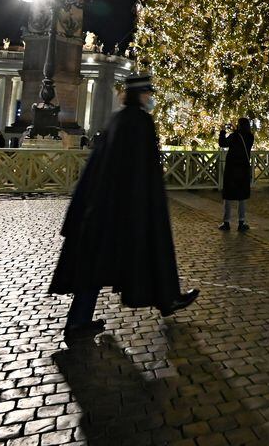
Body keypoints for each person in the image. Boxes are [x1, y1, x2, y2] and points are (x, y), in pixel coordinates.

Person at [50, 74, 199, 336]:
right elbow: (144, 169)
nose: (150, 97)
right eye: (148, 93)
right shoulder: (140, 121)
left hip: (100, 206)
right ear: (140, 94)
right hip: (125, 208)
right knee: (149, 252)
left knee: (93, 267)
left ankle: (79, 319)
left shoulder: (117, 119)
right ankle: (167, 299)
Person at [218, 118, 254, 232]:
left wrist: (223, 132)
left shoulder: (234, 136)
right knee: (242, 197)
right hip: (243, 169)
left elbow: (222, 143)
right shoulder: (250, 137)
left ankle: (226, 222)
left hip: (232, 169)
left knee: (228, 196)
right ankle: (241, 222)